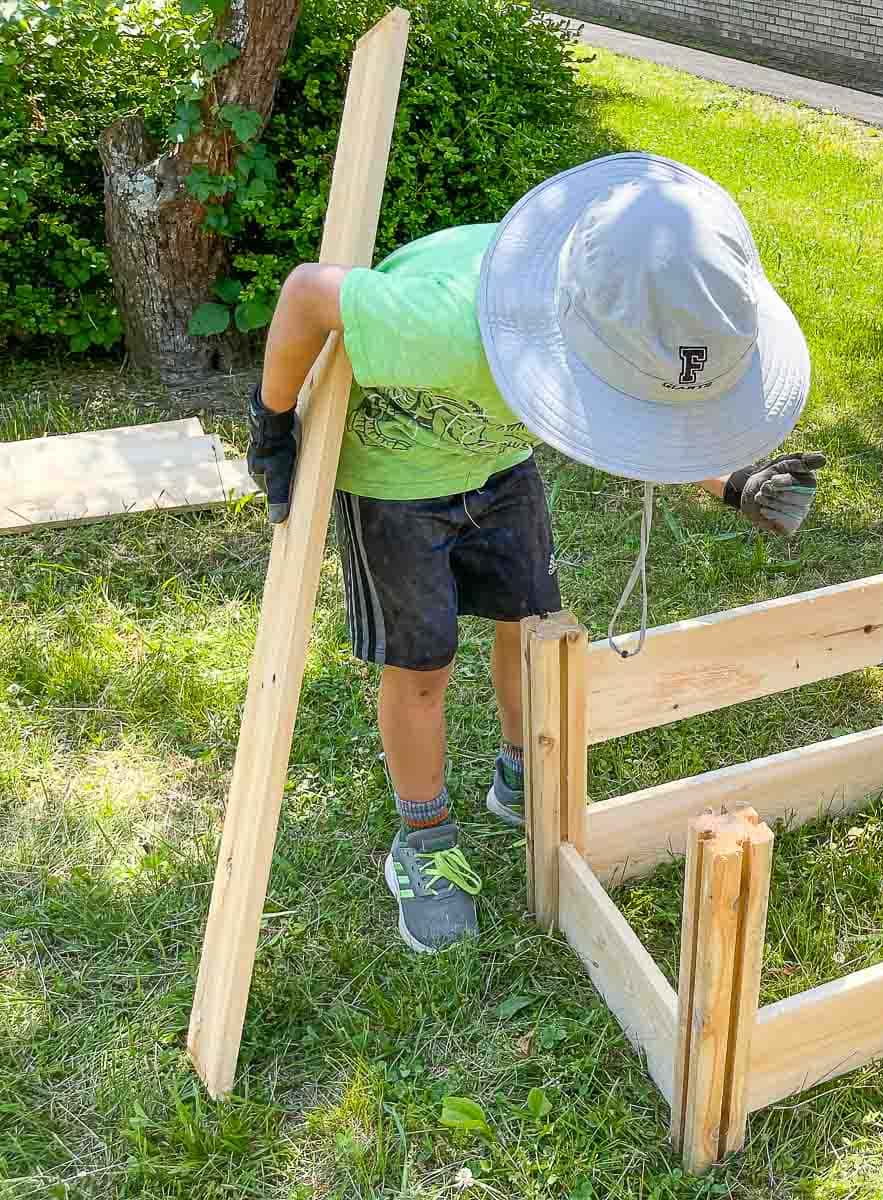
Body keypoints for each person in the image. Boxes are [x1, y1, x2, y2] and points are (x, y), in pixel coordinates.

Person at [246, 153, 824, 953]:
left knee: (532, 624)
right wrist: (272, 422)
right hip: (395, 475)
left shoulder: (629, 323)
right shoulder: (444, 326)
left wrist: (734, 481)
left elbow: (651, 413)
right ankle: (425, 839)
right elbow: (309, 293)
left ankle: (519, 773)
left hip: (500, 462)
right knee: (423, 667)